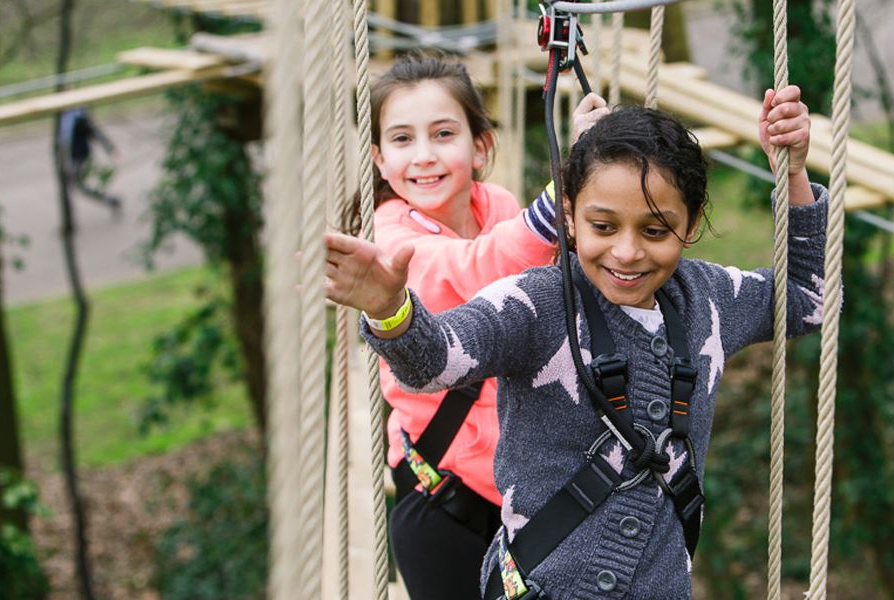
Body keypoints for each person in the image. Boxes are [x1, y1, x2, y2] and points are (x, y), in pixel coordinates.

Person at [326, 85, 828, 598]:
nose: (627, 252)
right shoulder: (537, 303)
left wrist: (792, 178)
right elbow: (435, 363)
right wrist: (389, 310)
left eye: (655, 231)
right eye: (603, 226)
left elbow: (808, 300)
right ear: (568, 216)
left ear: (691, 224)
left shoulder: (710, 299)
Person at [357, 53, 608, 600]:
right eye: (402, 140)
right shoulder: (389, 238)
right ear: (378, 159)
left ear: (479, 147)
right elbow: (474, 270)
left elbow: (540, 287)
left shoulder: (495, 204)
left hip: (525, 489)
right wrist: (570, 175)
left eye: (443, 134)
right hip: (446, 505)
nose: (423, 156)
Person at [57, 106, 121, 213]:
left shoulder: (79, 115)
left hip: (81, 156)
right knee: (76, 184)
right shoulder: (63, 114)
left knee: (78, 183)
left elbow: (95, 132)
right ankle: (110, 200)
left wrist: (111, 149)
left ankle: (110, 200)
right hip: (73, 155)